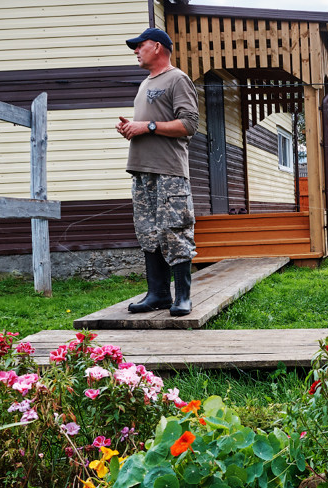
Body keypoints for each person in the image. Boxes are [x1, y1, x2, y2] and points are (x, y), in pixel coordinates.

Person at [117, 28, 199, 317]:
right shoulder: (144, 84)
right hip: (141, 171)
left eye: (140, 46)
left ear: (158, 47)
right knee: (148, 232)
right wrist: (132, 128)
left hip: (169, 172)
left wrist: (148, 125)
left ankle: (183, 297)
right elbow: (148, 125)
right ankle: (158, 295)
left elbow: (189, 124)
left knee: (175, 230)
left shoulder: (177, 79)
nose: (136, 51)